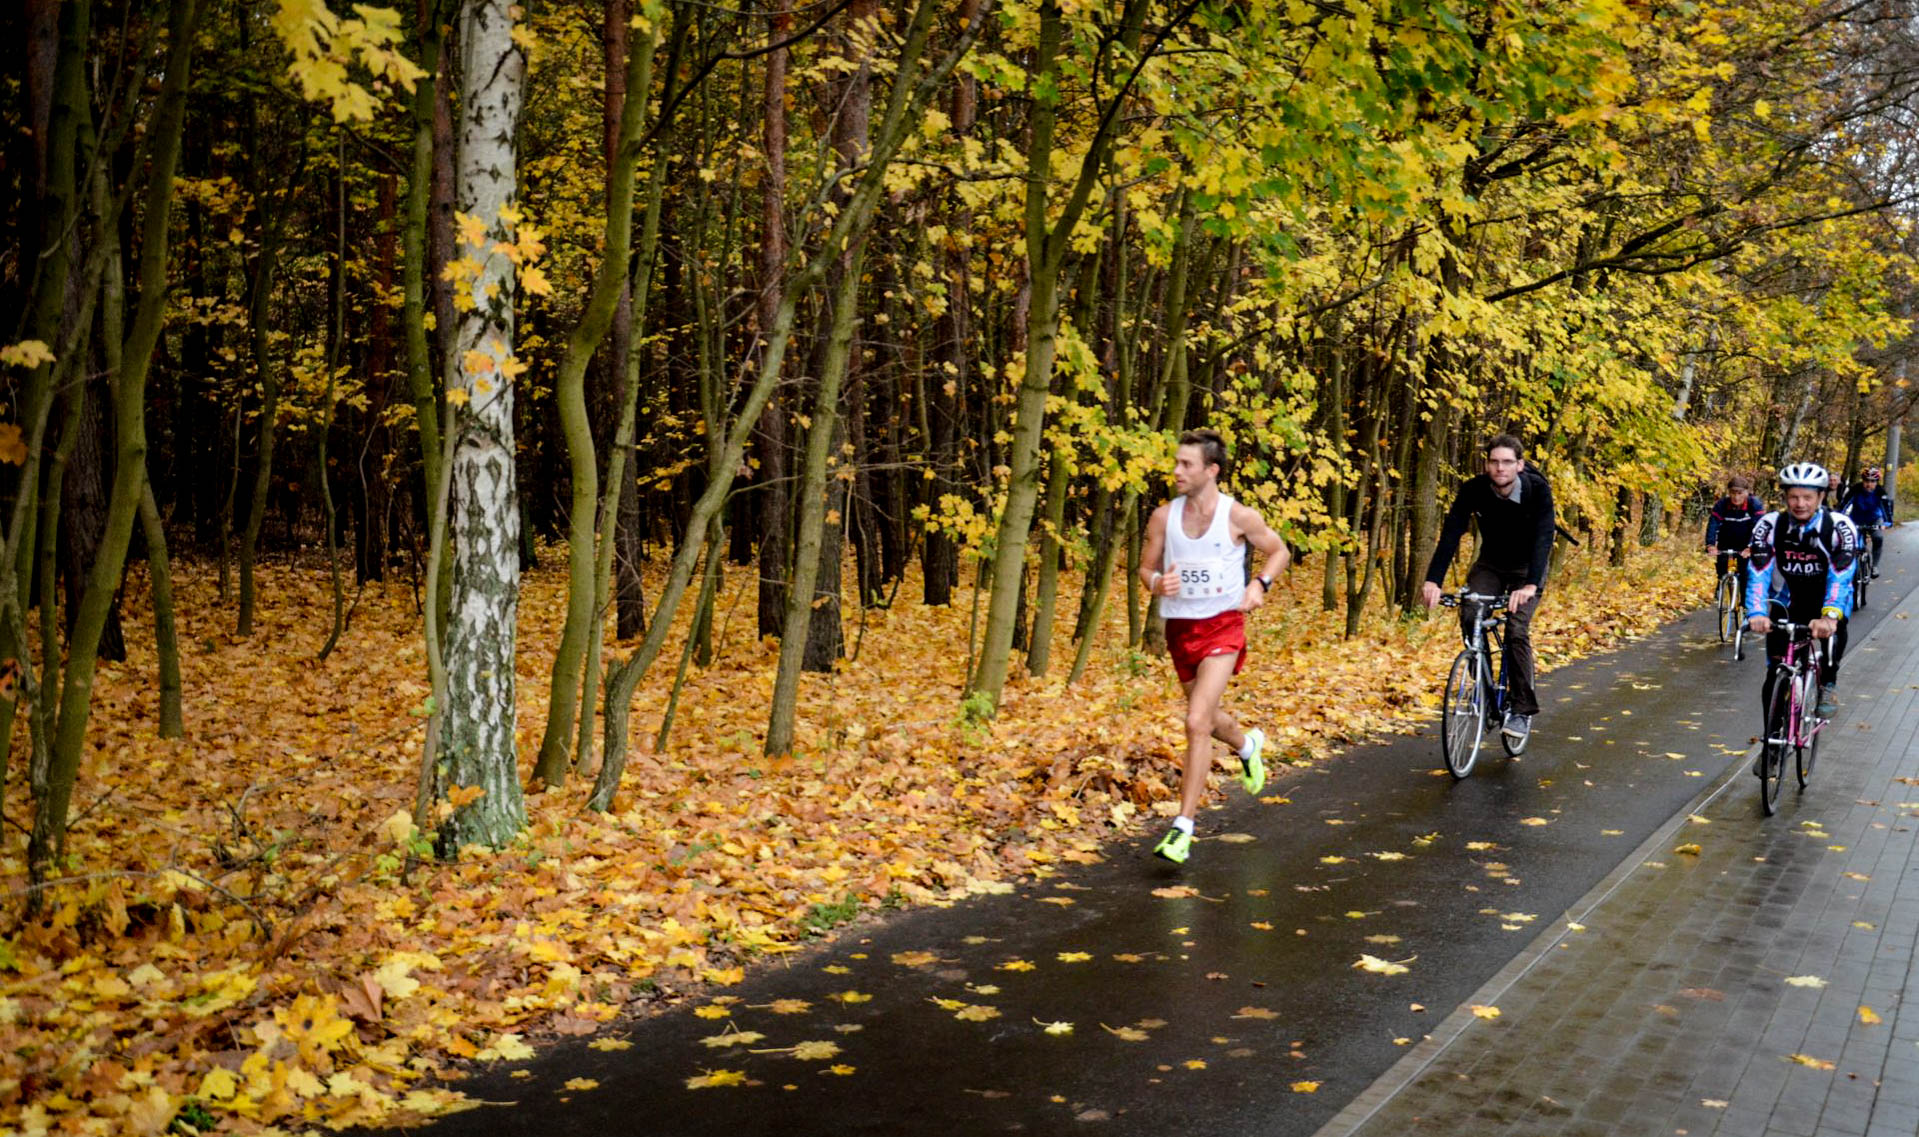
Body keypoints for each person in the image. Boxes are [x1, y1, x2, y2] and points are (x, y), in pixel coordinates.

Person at [1140, 429, 1290, 865]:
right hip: (1180, 629)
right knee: (1204, 720)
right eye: (1176, 462)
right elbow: (1144, 569)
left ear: (1212, 470)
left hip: (1224, 625)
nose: (1177, 471)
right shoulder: (1162, 517)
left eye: (1187, 464)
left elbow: (1278, 551)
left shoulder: (1238, 516)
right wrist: (1155, 583)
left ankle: (1182, 828)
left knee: (1194, 720)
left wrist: (1260, 584)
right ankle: (1247, 746)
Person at [1421, 434, 1556, 744]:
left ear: (1520, 465)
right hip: (1492, 563)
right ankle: (1483, 682)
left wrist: (1531, 585)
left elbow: (1543, 538)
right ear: (1486, 465)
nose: (1500, 468)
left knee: (1516, 630)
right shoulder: (1474, 490)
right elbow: (1451, 533)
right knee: (1470, 610)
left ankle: (1521, 709)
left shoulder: (1537, 491)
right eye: (1494, 462)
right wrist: (1433, 580)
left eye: (1507, 462)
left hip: (1527, 567)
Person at [1746, 462, 1858, 720]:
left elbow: (1841, 576)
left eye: (1807, 497)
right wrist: (1757, 612)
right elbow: (1758, 572)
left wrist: (1829, 616)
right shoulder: (1770, 525)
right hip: (1787, 602)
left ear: (1820, 497)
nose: (1800, 503)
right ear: (1785, 497)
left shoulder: (1839, 527)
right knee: (1775, 672)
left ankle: (1828, 684)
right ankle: (1771, 741)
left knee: (1834, 633)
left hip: (1825, 600)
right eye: (1794, 496)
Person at [1705, 475, 1765, 599]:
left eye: (1740, 493)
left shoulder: (1754, 505)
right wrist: (1710, 544)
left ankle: (1744, 605)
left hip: (1746, 542)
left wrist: (1751, 547)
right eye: (1733, 493)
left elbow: (1759, 528)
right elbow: (1713, 524)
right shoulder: (1722, 504)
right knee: (1722, 566)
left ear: (1747, 492)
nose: (1736, 497)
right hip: (1726, 540)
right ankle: (1722, 582)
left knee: (1745, 573)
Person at [1838, 467, 1894, 575]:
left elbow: (1886, 508)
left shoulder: (1880, 491)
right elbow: (1844, 504)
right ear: (1863, 481)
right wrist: (1839, 518)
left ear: (1876, 482)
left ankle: (1875, 566)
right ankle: (1850, 564)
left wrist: (1887, 523)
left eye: (1872, 481)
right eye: (1866, 481)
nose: (1869, 484)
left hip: (1874, 519)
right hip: (1856, 519)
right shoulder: (1856, 489)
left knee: (1878, 537)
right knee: (1850, 541)